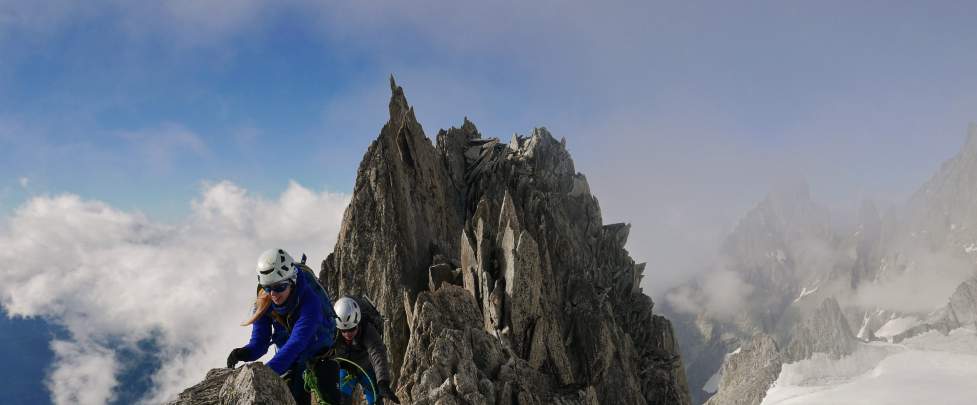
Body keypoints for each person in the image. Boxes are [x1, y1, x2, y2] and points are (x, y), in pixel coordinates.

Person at [226, 249, 340, 405]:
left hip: (318, 354)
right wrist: (243, 353)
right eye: (267, 287)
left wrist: (264, 375)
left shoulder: (311, 302)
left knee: (331, 399)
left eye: (279, 287)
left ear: (292, 281)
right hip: (290, 358)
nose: (273, 294)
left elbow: (297, 343)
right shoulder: (265, 300)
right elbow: (260, 343)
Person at [332, 296, 400, 405]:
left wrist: (383, 383)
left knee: (375, 401)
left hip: (366, 368)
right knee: (340, 399)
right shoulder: (332, 331)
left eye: (352, 329)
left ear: (358, 323)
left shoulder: (368, 330)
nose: (347, 334)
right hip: (345, 368)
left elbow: (377, 353)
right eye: (344, 331)